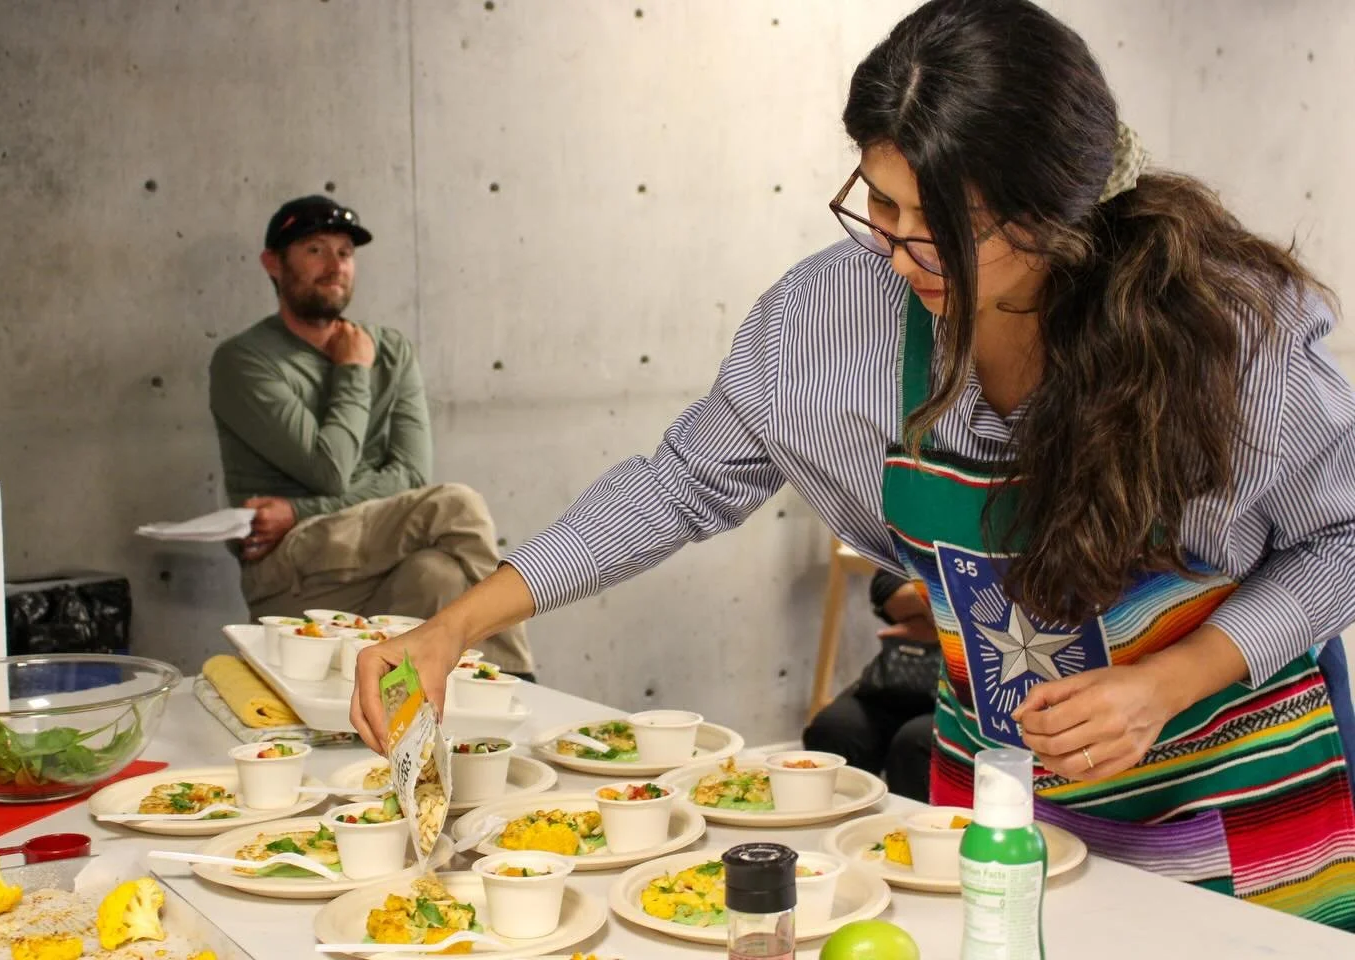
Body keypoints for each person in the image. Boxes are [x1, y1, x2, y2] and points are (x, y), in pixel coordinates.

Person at [352, 0, 1355, 928]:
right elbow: (675, 484)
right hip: (1000, 812)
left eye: (949, 232)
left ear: (1058, 214)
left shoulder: (1231, 335)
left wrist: (1171, 680)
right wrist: (454, 628)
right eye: (881, 205)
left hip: (1234, 810)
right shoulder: (823, 328)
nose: (902, 252)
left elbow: (1344, 538)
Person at [209, 195, 534, 675]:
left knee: (437, 574)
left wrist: (297, 508)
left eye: (345, 252)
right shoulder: (245, 361)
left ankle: (469, 723)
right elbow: (330, 468)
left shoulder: (392, 349)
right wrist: (353, 371)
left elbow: (411, 475)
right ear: (273, 264)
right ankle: (519, 681)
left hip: (363, 551)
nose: (334, 265)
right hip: (292, 566)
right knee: (456, 504)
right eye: (315, 250)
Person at [802, 571, 938, 801]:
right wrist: (948, 618)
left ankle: (914, 832)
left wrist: (931, 615)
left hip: (977, 693)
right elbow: (886, 589)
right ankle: (831, 832)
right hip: (904, 674)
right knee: (834, 730)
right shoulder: (933, 534)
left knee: (916, 744)